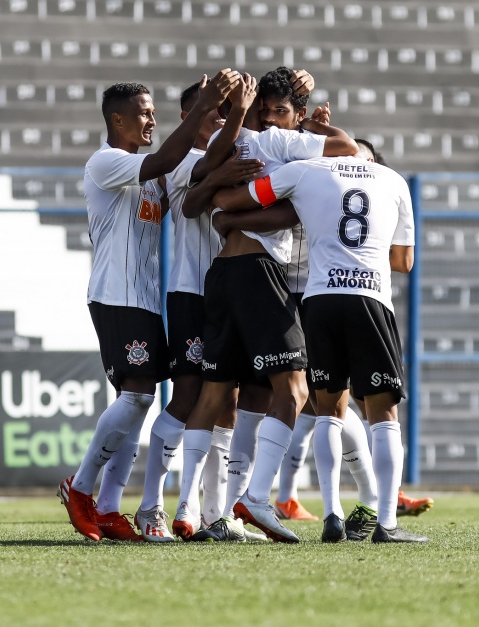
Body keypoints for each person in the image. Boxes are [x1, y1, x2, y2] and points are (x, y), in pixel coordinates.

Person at [174, 67, 358, 544]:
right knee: (296, 390)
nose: (273, 119)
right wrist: (310, 126)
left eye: (281, 111)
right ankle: (256, 500)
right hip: (260, 274)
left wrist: (230, 214)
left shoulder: (234, 144)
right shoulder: (282, 143)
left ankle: (188, 510)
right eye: (268, 110)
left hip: (223, 274)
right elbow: (349, 149)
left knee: (216, 395)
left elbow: (205, 204)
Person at [211, 143, 429, 543]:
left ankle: (332, 511)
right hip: (370, 298)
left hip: (319, 300)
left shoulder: (308, 170)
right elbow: (403, 261)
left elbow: (235, 199)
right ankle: (387, 523)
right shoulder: (393, 180)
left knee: (327, 411)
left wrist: (223, 213)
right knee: (383, 415)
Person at [57, 71, 241, 542]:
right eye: (142, 113)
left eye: (153, 112)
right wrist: (205, 107)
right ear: (116, 120)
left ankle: (111, 506)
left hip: (145, 301)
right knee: (138, 396)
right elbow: (165, 158)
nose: (149, 119)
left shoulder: (153, 178)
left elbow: (173, 169)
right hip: (115, 295)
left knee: (136, 405)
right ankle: (80, 489)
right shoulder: (106, 163)